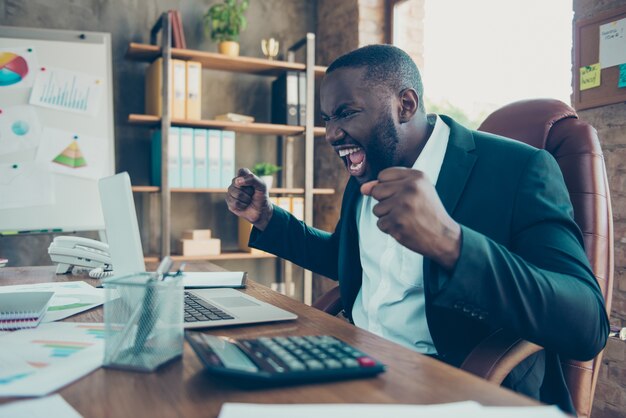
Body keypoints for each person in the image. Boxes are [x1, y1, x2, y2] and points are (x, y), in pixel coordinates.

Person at [226, 44, 609, 413]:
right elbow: (345, 259)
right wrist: (268, 218)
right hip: (356, 366)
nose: (331, 134)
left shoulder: (520, 170)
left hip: (450, 387)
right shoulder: (368, 169)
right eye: (328, 119)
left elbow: (587, 325)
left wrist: (451, 244)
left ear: (405, 105)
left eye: (346, 113)